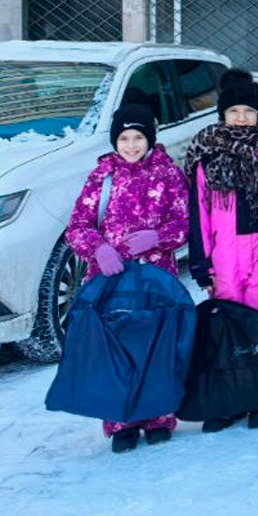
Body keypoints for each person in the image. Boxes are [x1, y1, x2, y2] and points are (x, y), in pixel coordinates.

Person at [64, 104, 190, 452]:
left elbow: (185, 223)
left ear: (149, 138)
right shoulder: (101, 177)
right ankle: (122, 421)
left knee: (156, 346)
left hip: (155, 279)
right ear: (114, 141)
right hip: (112, 281)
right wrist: (99, 248)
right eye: (124, 138)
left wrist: (159, 237)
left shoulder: (168, 174)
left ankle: (158, 417)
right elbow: (77, 226)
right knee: (116, 349)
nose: (131, 145)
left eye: (138, 137)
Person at [184, 69, 258, 432]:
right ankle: (230, 400)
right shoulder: (206, 153)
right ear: (223, 114)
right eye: (234, 111)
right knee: (227, 329)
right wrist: (202, 265)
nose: (242, 117)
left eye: (249, 111)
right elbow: (199, 213)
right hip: (225, 256)